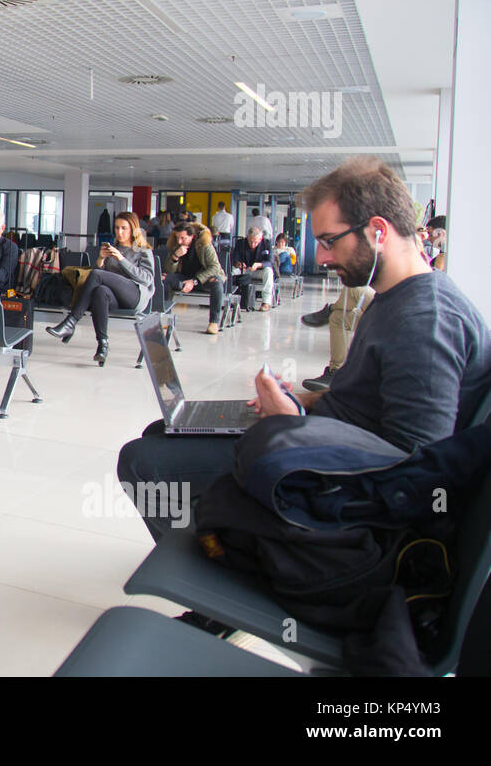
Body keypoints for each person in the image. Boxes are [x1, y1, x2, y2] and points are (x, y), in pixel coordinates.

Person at [119, 157, 491, 542]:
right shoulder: (396, 297)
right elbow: (374, 403)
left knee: (141, 462)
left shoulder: (425, 322)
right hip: (328, 445)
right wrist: (301, 402)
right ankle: (214, 541)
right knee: (162, 432)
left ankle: (211, 559)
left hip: (341, 493)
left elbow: (417, 472)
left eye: (329, 241)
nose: (324, 257)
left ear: (378, 231)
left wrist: (292, 423)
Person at [45, 211, 154, 365]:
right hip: (116, 297)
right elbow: (101, 278)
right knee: (100, 291)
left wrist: (121, 259)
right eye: (116, 228)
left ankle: (71, 321)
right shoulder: (113, 249)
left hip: (136, 295)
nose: (119, 232)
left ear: (133, 230)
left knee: (97, 275)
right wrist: (101, 259)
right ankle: (102, 345)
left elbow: (147, 279)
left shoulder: (143, 251)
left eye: (124, 228)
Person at [162, 221, 224, 334]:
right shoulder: (176, 245)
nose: (180, 241)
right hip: (184, 276)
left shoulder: (205, 245)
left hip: (203, 278)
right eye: (177, 237)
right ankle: (166, 317)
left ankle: (214, 322)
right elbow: (168, 270)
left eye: (183, 238)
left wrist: (194, 281)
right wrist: (175, 256)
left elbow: (215, 267)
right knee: (164, 279)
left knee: (217, 283)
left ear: (192, 236)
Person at [230, 226, 275, 311]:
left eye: (256, 242)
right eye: (250, 242)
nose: (253, 245)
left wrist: (259, 265)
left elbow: (270, 262)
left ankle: (266, 302)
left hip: (259, 271)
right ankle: (230, 297)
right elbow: (234, 258)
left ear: (260, 239)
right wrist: (238, 263)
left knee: (269, 272)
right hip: (245, 270)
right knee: (233, 270)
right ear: (247, 237)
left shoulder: (267, 244)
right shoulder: (241, 243)